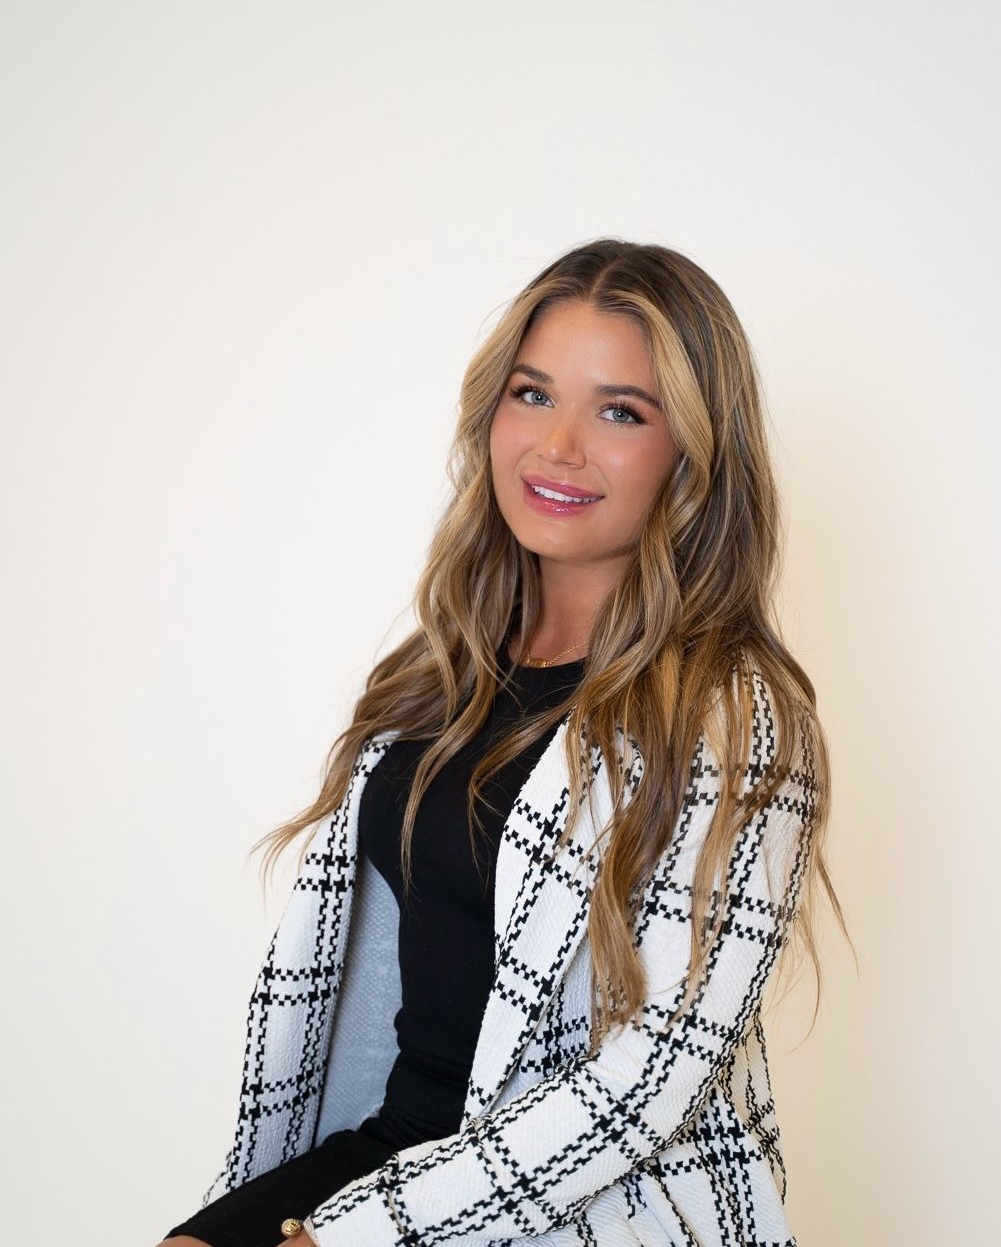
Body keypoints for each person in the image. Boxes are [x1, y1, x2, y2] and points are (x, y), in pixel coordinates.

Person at [157, 238, 846, 1247]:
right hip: (399, 1147)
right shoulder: (440, 672)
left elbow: (642, 1088)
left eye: (620, 411)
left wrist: (356, 1233)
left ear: (693, 452)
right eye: (532, 395)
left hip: (598, 1206)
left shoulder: (734, 713)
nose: (557, 446)